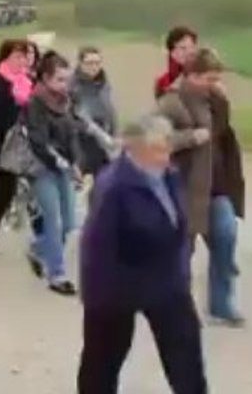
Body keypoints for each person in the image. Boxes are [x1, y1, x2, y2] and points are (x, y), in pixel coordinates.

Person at [77, 114, 208, 394]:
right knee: (102, 361)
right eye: (159, 149)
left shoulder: (169, 176)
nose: (166, 156)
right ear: (135, 150)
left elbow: (177, 227)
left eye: (167, 147)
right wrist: (100, 298)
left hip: (166, 283)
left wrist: (181, 274)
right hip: (118, 286)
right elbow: (98, 246)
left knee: (186, 355)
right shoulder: (113, 187)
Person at [157, 47, 246, 327]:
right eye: (209, 78)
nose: (215, 84)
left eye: (217, 78)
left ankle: (221, 303)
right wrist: (189, 138)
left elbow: (222, 136)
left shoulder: (216, 100)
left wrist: (222, 101)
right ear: (192, 76)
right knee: (182, 253)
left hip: (215, 186)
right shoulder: (171, 102)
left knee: (226, 235)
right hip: (183, 189)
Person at [24, 51, 82, 295]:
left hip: (64, 167)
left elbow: (72, 135)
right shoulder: (34, 103)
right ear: (45, 79)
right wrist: (60, 162)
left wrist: (76, 163)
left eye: (67, 79)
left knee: (70, 223)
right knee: (54, 221)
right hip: (41, 168)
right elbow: (38, 141)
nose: (64, 84)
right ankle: (56, 275)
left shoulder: (66, 101)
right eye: (59, 79)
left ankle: (37, 249)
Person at [0, 39, 34, 251]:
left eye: (25, 56)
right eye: (18, 56)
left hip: (19, 140)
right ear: (6, 57)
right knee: (3, 187)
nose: (22, 61)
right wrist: (20, 103)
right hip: (1, 140)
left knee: (9, 187)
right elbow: (1, 109)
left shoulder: (25, 79)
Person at [71, 45, 118, 178]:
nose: (94, 67)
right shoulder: (72, 87)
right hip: (82, 144)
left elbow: (109, 109)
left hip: (105, 143)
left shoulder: (104, 84)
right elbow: (69, 119)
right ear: (80, 63)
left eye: (97, 63)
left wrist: (113, 133)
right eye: (89, 63)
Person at [155, 25, 199, 99]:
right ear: (172, 52)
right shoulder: (162, 82)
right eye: (183, 48)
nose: (189, 52)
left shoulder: (203, 77)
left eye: (192, 47)